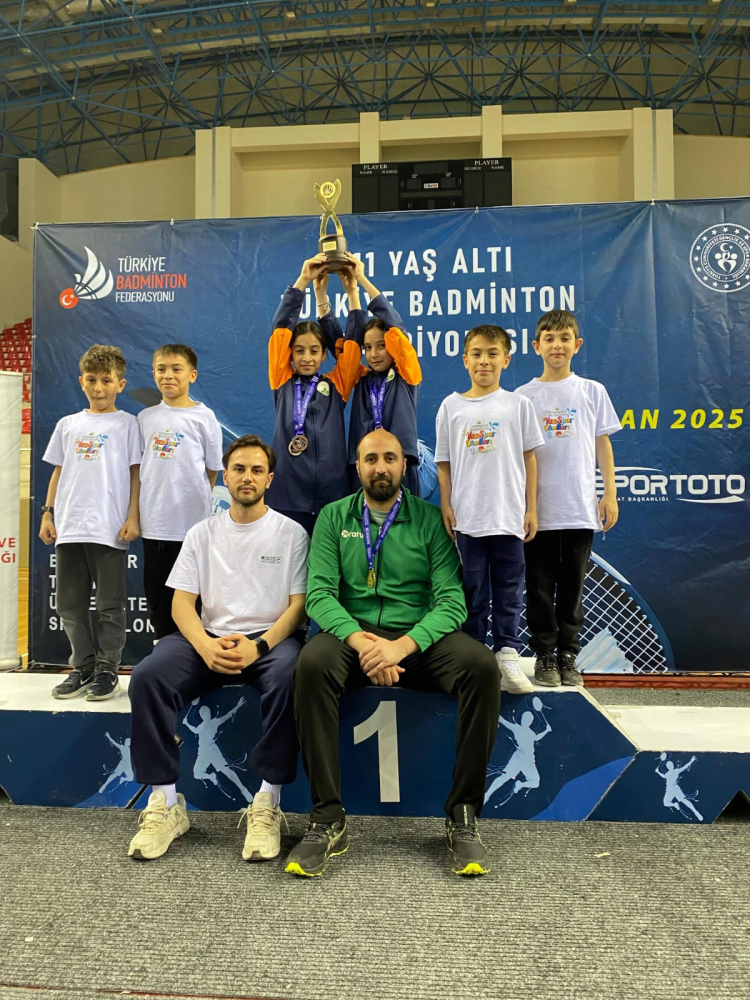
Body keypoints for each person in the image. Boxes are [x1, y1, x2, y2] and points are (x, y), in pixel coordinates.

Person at [288, 429, 501, 878]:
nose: (380, 467)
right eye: (371, 459)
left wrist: (400, 647)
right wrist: (365, 643)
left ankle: (462, 814)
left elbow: (452, 603)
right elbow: (320, 596)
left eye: (389, 458)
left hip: (415, 640)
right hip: (354, 638)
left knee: (482, 666)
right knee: (311, 664)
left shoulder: (429, 520)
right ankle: (327, 817)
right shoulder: (333, 517)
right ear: (358, 467)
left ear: (405, 465)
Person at [127, 435, 309, 862]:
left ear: (270, 479)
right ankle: (166, 803)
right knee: (147, 676)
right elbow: (181, 604)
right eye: (239, 469)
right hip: (207, 639)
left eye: (257, 470)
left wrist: (259, 645)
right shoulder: (201, 533)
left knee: (291, 677)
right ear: (225, 477)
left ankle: (267, 801)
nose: (247, 477)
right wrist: (205, 646)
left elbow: (299, 607)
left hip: (268, 642)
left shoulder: (291, 533)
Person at [435, 325, 545, 696]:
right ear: (465, 360)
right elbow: (444, 463)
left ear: (506, 360)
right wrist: (446, 504)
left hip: (509, 516)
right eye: (477, 353)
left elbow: (530, 459)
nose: (484, 361)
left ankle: (508, 654)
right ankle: (474, 657)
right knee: (473, 591)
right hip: (469, 518)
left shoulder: (518, 405)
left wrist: (531, 508)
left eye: (493, 353)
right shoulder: (451, 406)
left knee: (510, 589)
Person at [516, 310, 620, 687]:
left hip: (578, 509)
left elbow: (602, 443)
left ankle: (568, 654)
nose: (557, 345)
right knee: (539, 587)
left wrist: (609, 493)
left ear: (577, 345)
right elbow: (518, 455)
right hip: (537, 512)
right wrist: (524, 506)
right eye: (549, 338)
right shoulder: (523, 397)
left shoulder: (592, 391)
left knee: (573, 587)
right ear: (536, 346)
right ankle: (544, 653)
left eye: (564, 338)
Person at [40, 344, 141, 702]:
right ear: (81, 381)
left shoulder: (128, 424)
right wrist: (48, 512)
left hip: (108, 527)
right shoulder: (68, 425)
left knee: (110, 606)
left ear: (120, 384)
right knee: (69, 605)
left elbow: (136, 474)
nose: (99, 388)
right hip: (70, 526)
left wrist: (133, 516)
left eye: (106, 380)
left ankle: (107, 669)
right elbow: (59, 471)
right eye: (92, 380)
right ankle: (81, 666)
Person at [268, 254, 364, 535]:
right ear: (290, 354)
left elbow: (352, 346)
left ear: (324, 355)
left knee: (328, 561)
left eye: (314, 351)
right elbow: (280, 330)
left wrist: (352, 292)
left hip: (332, 498)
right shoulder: (281, 379)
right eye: (299, 351)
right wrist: (303, 280)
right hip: (286, 496)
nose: (307, 358)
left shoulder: (337, 385)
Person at [137, 343, 223, 641]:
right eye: (161, 369)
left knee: (193, 598)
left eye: (176, 369)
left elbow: (211, 469)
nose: (168, 375)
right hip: (155, 526)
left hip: (192, 527)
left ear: (192, 375)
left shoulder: (205, 417)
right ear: (154, 374)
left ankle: (195, 652)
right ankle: (163, 649)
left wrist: (195, 502)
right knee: (158, 597)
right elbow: (139, 470)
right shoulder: (145, 418)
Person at [317, 252, 422, 495]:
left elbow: (396, 327)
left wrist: (361, 279)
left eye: (381, 346)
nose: (373, 354)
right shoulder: (361, 376)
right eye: (368, 347)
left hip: (400, 465)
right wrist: (327, 294)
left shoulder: (406, 374)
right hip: (362, 466)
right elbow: (343, 346)